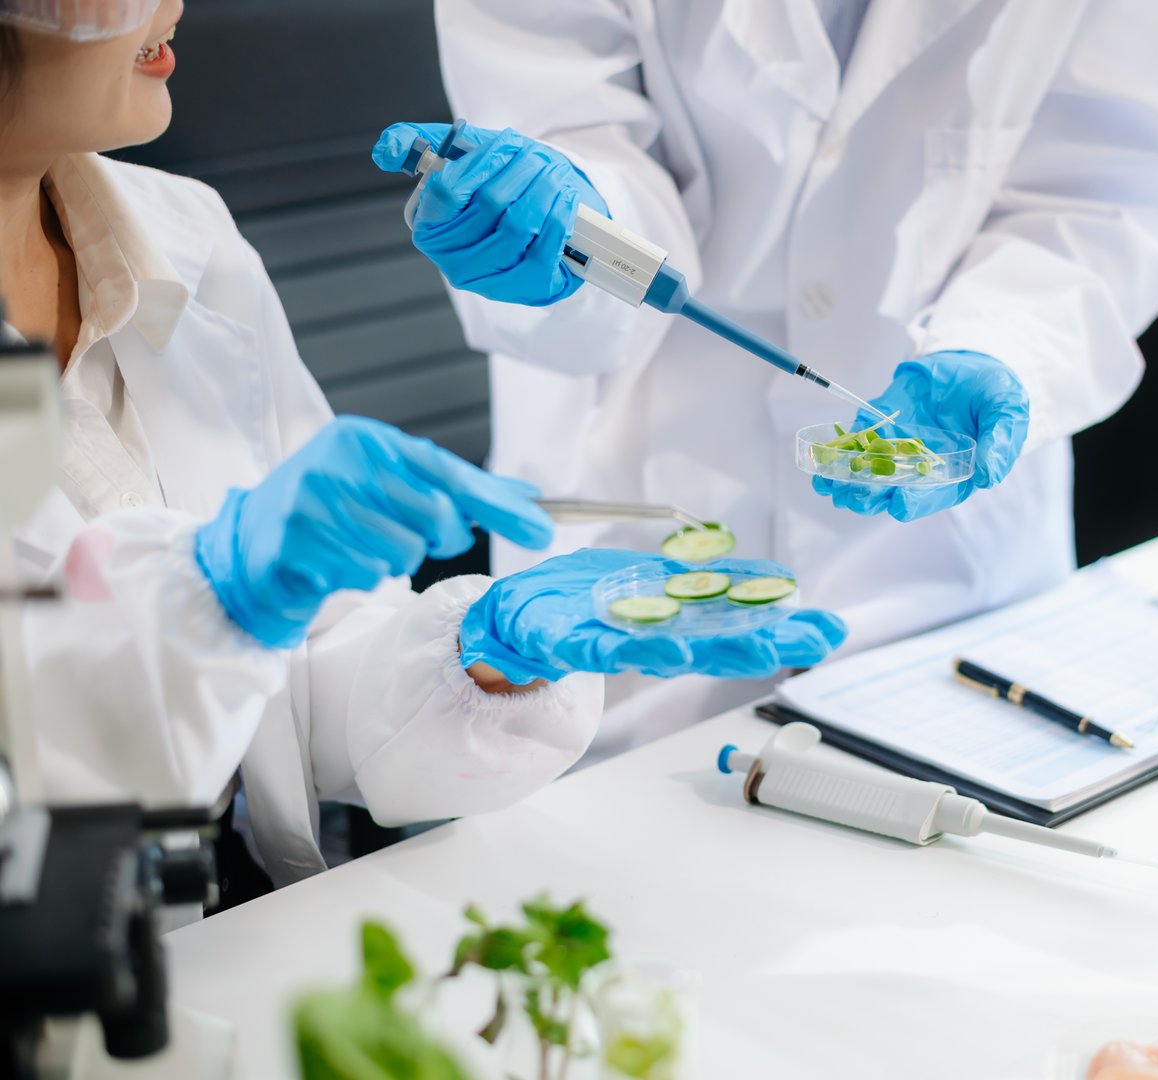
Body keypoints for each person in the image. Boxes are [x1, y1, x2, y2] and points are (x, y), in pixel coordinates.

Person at [0, 0, 846, 895]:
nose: (170, 1)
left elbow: (302, 709)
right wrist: (211, 594)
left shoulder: (186, 237)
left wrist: (482, 658)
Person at [373, 0, 1158, 758]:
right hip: (634, 527)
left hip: (943, 579)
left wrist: (1001, 342)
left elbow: (1106, 194)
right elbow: (564, 126)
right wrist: (582, 223)